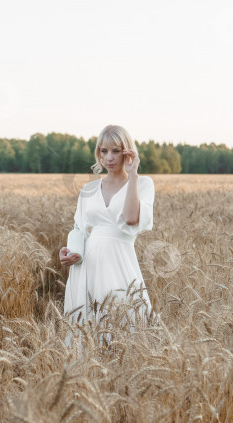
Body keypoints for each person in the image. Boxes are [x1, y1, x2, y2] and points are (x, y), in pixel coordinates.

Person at [60, 124, 158, 347]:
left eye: (116, 151)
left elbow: (132, 218)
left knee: (125, 324)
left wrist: (132, 175)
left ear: (128, 152)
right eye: (104, 151)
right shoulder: (88, 190)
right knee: (88, 331)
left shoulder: (143, 184)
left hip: (119, 262)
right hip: (86, 267)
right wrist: (67, 252)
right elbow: (79, 230)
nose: (109, 157)